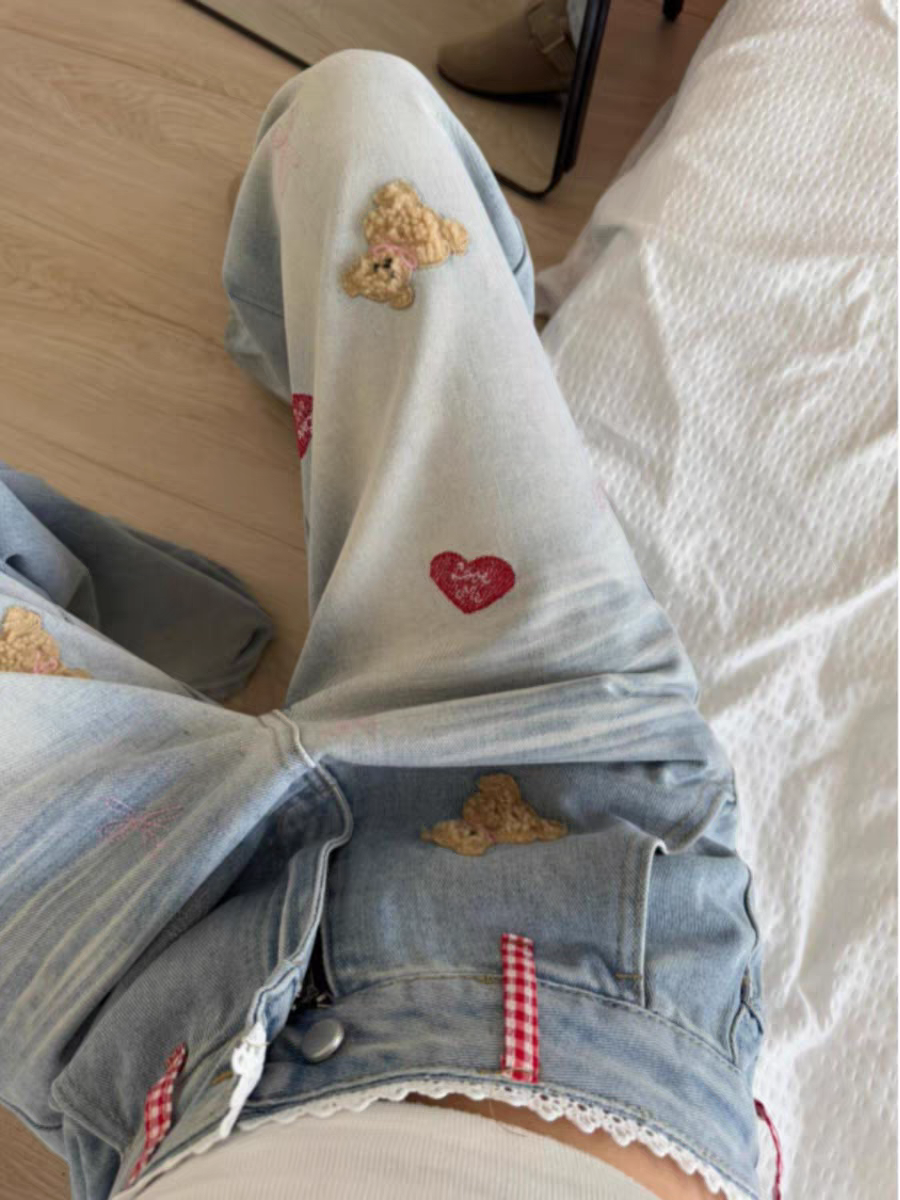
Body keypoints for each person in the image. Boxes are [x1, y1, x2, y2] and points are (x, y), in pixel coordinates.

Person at [0, 50, 769, 1200]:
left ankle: (326, 385)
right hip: (566, 819)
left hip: (148, 1003)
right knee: (358, 109)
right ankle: (302, 335)